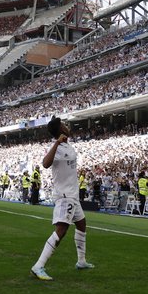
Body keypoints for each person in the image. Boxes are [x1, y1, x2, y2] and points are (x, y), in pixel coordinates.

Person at [31, 117, 93, 281]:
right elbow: (45, 163)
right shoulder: (57, 147)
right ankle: (39, 266)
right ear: (60, 130)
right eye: (64, 125)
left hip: (73, 195)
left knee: (81, 223)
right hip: (65, 196)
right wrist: (57, 143)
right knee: (61, 231)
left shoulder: (68, 146)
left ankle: (81, 261)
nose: (67, 126)